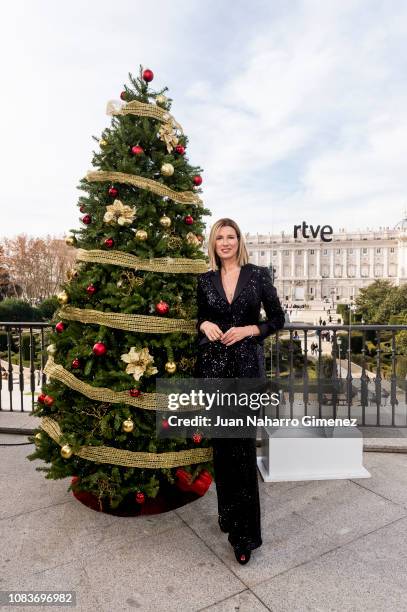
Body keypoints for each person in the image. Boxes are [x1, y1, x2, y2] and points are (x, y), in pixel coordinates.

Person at [195, 218, 285, 565]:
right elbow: (198, 318)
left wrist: (249, 329)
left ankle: (246, 536)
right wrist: (203, 324)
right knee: (222, 450)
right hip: (214, 371)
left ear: (239, 241)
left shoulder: (258, 275)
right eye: (220, 237)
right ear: (214, 243)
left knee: (243, 451)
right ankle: (228, 515)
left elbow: (278, 319)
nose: (226, 242)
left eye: (231, 236)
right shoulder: (204, 281)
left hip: (247, 371)